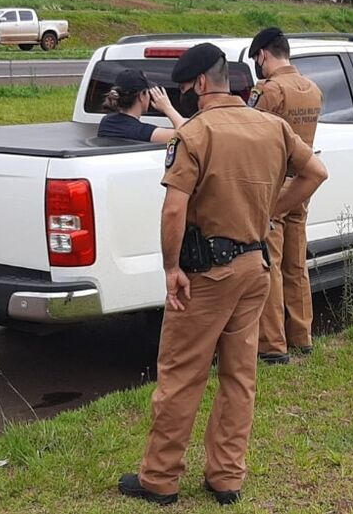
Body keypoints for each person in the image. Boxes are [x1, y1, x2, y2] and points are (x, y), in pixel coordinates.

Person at [117, 43, 328, 506]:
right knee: (240, 376)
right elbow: (315, 172)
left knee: (181, 375)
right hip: (255, 269)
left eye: (185, 87)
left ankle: (160, 478)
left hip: (206, 274)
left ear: (198, 84)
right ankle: (227, 477)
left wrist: (172, 268)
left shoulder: (194, 134)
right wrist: (272, 211)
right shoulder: (271, 127)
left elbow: (175, 210)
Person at [247, 27, 323, 365]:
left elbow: (248, 132)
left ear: (263, 54)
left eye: (257, 60)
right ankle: (302, 336)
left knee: (270, 265)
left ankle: (273, 345)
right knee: (296, 262)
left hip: (274, 186)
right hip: (302, 184)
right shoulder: (312, 89)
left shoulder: (269, 91)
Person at [97, 68, 186, 143]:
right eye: (148, 92)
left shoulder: (106, 122)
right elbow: (189, 135)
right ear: (141, 96)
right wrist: (167, 108)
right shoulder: (142, 132)